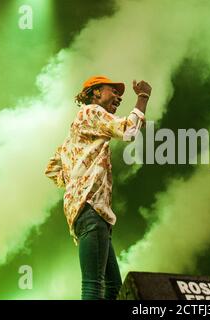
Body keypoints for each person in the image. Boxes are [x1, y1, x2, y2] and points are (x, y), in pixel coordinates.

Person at [44, 75, 151, 300]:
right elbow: (129, 130)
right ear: (95, 92)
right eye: (113, 91)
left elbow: (52, 168)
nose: (119, 97)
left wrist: (75, 182)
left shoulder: (74, 133)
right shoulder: (91, 112)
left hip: (86, 211)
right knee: (94, 286)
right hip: (91, 208)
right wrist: (143, 97)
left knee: (113, 289)